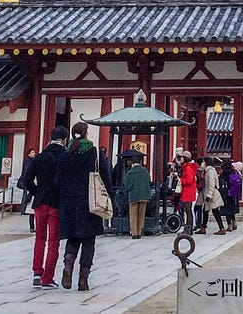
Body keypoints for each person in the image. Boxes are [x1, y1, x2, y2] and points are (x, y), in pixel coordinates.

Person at [56, 121, 111, 292]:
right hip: (90, 200)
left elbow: (57, 180)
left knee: (72, 237)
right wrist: (110, 196)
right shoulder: (94, 153)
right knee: (89, 240)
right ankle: (83, 280)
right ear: (86, 134)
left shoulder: (65, 154)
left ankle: (68, 263)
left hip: (69, 202)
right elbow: (105, 175)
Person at [20, 124, 68, 288]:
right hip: (57, 202)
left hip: (40, 202)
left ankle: (37, 273)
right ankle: (48, 277)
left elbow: (26, 180)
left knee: (40, 238)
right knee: (54, 240)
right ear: (65, 139)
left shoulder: (39, 157)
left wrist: (37, 192)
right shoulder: (66, 156)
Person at [124, 151, 153, 239]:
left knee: (133, 215)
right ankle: (140, 232)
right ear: (140, 162)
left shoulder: (130, 173)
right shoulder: (145, 171)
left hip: (134, 195)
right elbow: (149, 181)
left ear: (132, 162)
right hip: (144, 195)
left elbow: (127, 185)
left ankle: (134, 233)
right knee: (141, 214)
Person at [177, 152, 199, 236]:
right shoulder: (188, 167)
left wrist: (181, 180)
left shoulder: (188, 168)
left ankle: (188, 228)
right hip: (189, 191)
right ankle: (189, 228)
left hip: (188, 191)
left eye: (182, 157)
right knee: (188, 210)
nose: (181, 159)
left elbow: (189, 180)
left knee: (188, 210)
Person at [199, 157, 222, 234]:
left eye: (203, 162)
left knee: (215, 212)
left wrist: (209, 195)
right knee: (205, 211)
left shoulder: (210, 172)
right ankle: (203, 227)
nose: (202, 164)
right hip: (208, 194)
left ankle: (221, 228)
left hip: (211, 195)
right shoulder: (207, 171)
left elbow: (212, 184)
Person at [225, 160, 243, 231]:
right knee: (232, 210)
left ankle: (229, 225)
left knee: (227, 210)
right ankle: (234, 222)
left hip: (229, 193)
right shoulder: (239, 174)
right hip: (235, 195)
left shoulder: (231, 174)